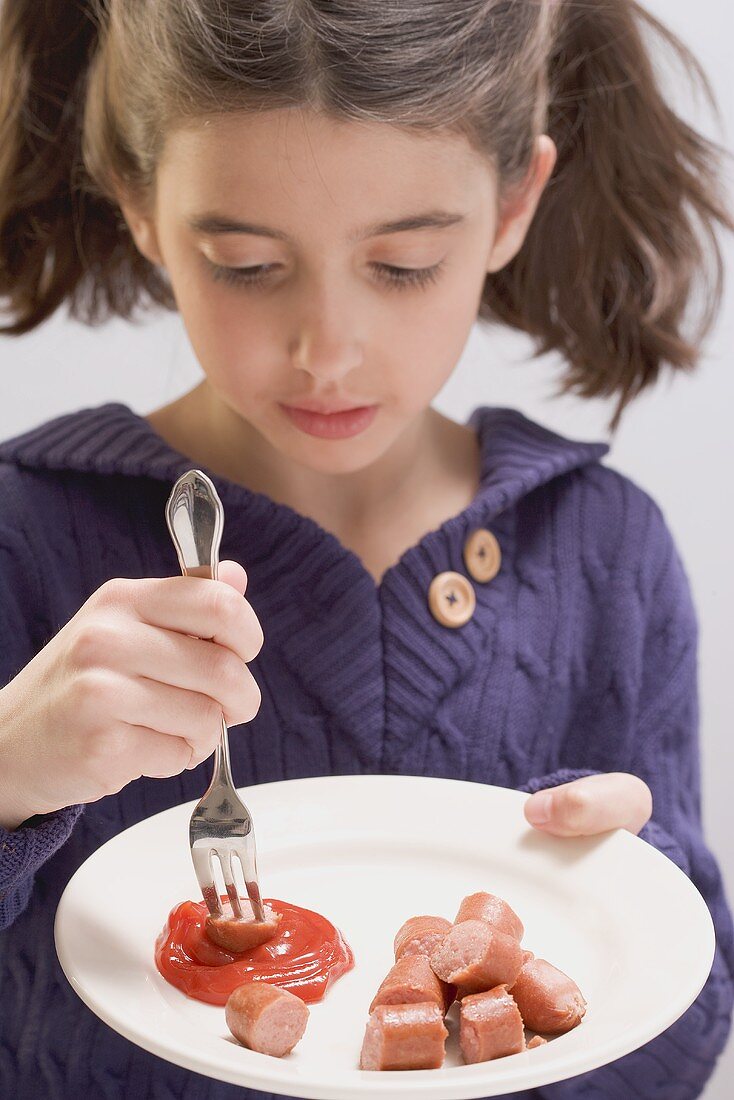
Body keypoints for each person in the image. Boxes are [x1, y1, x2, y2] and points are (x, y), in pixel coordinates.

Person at [0, 0, 731, 1096]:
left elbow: (685, 1033)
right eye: (246, 264)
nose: (326, 352)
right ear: (140, 201)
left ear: (511, 204)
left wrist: (625, 892)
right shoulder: (25, 537)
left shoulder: (602, 554)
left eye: (402, 264)